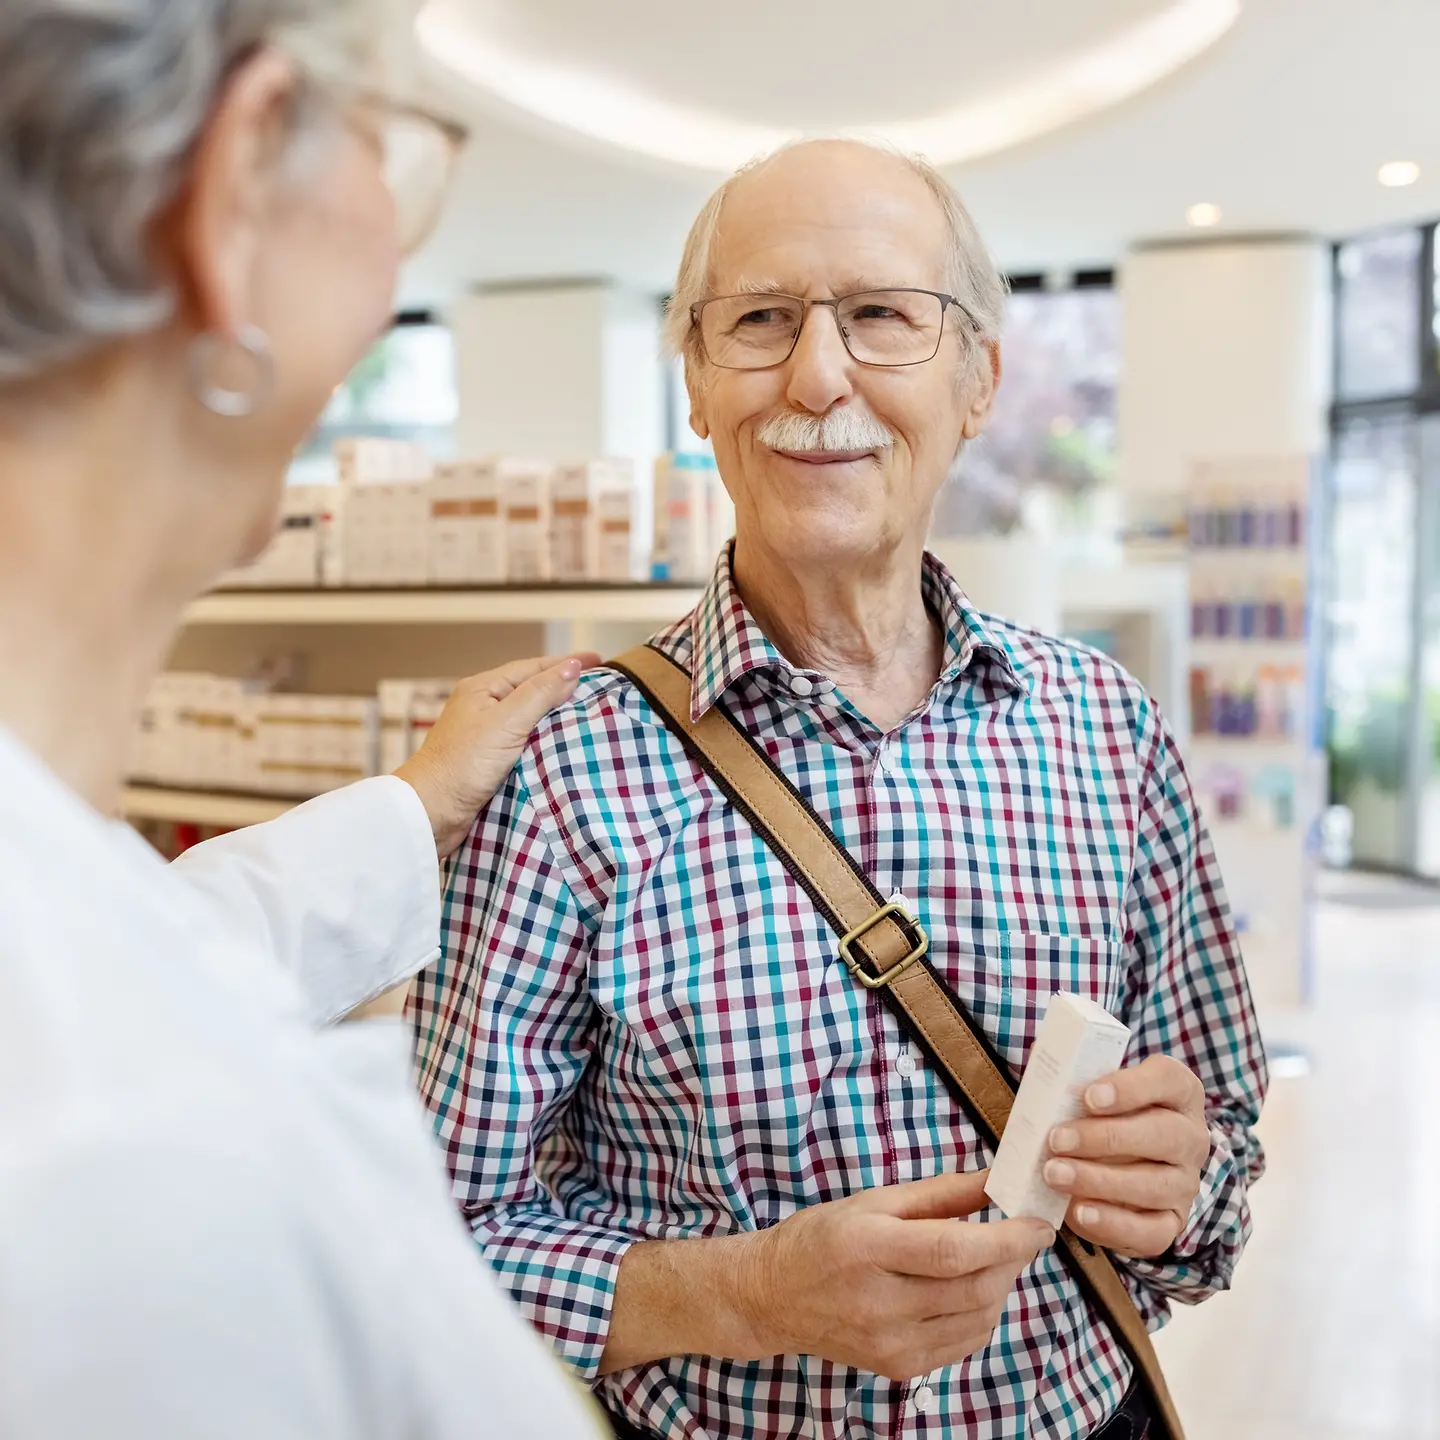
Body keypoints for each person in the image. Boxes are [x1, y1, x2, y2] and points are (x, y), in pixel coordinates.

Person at [411, 138, 1270, 1439]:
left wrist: (1178, 1192)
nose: (819, 375)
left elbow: (1220, 1161)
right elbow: (436, 1237)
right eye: (759, 320)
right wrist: (743, 1296)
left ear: (979, 378)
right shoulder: (561, 769)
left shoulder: (1107, 731)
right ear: (695, 382)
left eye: (881, 316)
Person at [0, 2, 605, 1435]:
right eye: (392, 161)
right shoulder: (125, 1159)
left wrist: (405, 808)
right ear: (235, 187)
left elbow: (138, 943)